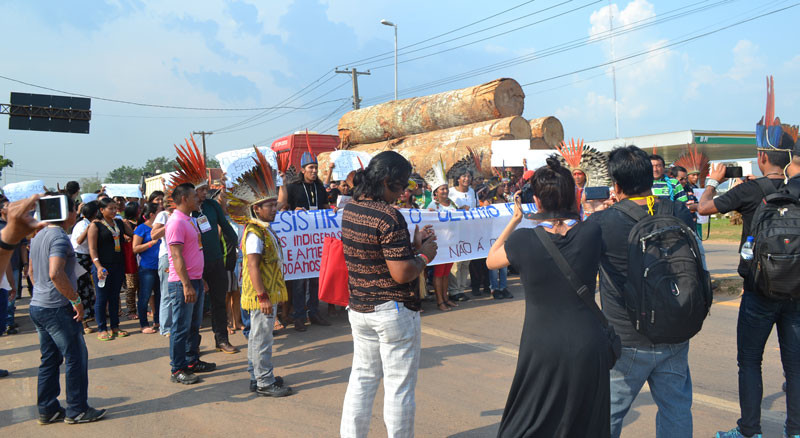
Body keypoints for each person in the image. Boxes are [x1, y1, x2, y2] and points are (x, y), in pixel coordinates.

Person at [487, 157, 610, 438]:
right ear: (573, 195)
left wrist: (515, 221)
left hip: (541, 344)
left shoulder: (522, 240)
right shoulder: (592, 233)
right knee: (585, 422)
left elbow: (491, 260)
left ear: (537, 201)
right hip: (588, 341)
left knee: (530, 421)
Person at [699, 99, 796, 437]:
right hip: (796, 291)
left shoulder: (752, 190)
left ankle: (749, 430)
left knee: (750, 361)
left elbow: (703, 207)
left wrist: (714, 180)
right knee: (795, 367)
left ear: (763, 157)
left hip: (758, 289)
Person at [588, 146, 695, 437]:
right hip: (676, 329)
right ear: (652, 177)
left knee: (607, 415)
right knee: (676, 410)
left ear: (616, 185)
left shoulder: (602, 223)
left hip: (627, 337)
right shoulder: (678, 210)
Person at [340, 151, 438, 438]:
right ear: (385, 182)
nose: (403, 192)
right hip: (392, 310)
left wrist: (410, 245)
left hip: (360, 308)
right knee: (399, 386)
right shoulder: (388, 215)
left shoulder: (351, 208)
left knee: (362, 380)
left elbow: (378, 254)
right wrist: (423, 255)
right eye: (400, 186)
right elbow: (402, 273)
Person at [28, 194, 106, 424]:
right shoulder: (59, 238)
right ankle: (77, 409)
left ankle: (47, 408)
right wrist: (75, 300)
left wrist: (42, 292)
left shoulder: (38, 235)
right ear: (69, 213)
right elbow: (55, 273)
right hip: (57, 308)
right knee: (75, 357)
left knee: (50, 358)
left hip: (39, 305)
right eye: (75, 209)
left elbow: (32, 272)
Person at [226, 147, 292, 397]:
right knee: (262, 338)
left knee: (257, 336)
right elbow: (252, 265)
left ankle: (258, 376)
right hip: (261, 294)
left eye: (275, 204)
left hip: (262, 293)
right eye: (270, 205)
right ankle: (264, 381)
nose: (275, 208)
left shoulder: (261, 228)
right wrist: (263, 296)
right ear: (256, 209)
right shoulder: (254, 233)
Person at [173, 138, 240, 353]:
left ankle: (221, 339)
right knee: (196, 308)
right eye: (200, 190)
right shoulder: (185, 214)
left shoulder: (212, 206)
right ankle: (193, 348)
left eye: (204, 190)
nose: (203, 193)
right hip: (195, 267)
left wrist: (237, 248)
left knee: (220, 301)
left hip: (216, 261)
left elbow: (227, 229)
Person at [165, 182, 216, 384]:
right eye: (194, 196)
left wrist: (200, 278)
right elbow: (176, 256)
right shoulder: (176, 222)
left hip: (195, 279)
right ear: (184, 199)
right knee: (180, 328)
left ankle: (192, 360)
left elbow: (195, 252)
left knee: (194, 325)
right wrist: (186, 284)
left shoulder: (191, 220)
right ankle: (178, 368)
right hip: (182, 283)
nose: (198, 198)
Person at [278, 150, 331, 331]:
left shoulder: (320, 187)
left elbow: (324, 206)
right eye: (311, 168)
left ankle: (314, 312)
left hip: (316, 242)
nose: (314, 171)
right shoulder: (293, 187)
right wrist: (295, 212)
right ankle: (299, 316)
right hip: (300, 242)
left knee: (316, 278)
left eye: (316, 168)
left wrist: (332, 210)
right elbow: (284, 210)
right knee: (300, 281)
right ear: (303, 169)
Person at [88, 197, 133, 341]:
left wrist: (127, 224)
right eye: (111, 208)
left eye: (115, 208)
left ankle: (115, 326)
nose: (114, 211)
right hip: (103, 267)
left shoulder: (119, 222)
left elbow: (133, 235)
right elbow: (92, 248)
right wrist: (98, 266)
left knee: (115, 297)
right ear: (102, 210)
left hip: (118, 265)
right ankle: (102, 328)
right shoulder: (95, 226)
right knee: (102, 298)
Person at [425, 160, 458, 311]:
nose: (445, 191)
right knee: (438, 273)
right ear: (436, 192)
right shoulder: (432, 206)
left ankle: (445, 298)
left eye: (446, 189)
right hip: (439, 245)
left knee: (446, 273)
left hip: (450, 243)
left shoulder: (452, 204)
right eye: (442, 189)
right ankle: (440, 301)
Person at [132, 203, 163, 334]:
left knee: (160, 296)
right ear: (152, 215)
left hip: (161, 266)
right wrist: (151, 243)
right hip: (147, 268)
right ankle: (144, 324)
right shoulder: (141, 228)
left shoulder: (162, 228)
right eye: (160, 211)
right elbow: (135, 248)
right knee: (144, 296)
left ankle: (158, 321)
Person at [448, 167, 476, 302]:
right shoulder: (451, 192)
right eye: (463, 176)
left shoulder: (472, 192)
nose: (466, 179)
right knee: (456, 263)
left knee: (466, 262)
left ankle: (461, 289)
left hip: (469, 231)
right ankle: (453, 290)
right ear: (458, 178)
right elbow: (447, 209)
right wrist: (459, 210)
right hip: (455, 232)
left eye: (468, 176)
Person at [70, 201, 98, 334]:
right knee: (81, 290)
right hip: (80, 259)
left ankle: (86, 320)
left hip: (86, 259)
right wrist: (89, 229)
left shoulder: (88, 223)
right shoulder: (82, 224)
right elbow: (79, 241)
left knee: (87, 289)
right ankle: (83, 323)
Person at [152, 203, 173, 336]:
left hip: (183, 256)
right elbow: (154, 235)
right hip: (167, 256)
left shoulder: (189, 214)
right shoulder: (163, 215)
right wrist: (171, 223)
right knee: (167, 292)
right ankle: (166, 327)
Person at [122, 202, 140, 320]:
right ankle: (131, 310)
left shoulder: (140, 223)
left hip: (140, 257)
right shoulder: (125, 223)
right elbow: (128, 237)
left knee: (140, 285)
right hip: (129, 257)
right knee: (131, 286)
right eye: (139, 209)